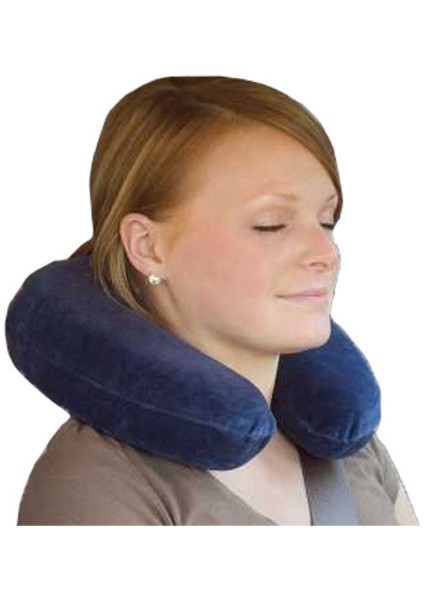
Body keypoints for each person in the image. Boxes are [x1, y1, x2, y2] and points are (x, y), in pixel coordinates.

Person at [16, 75, 418, 525]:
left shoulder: (358, 452)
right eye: (270, 224)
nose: (325, 253)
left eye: (326, 221)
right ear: (149, 247)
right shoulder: (94, 482)